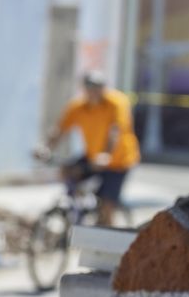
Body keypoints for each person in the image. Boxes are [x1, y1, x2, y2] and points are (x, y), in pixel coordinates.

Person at [44, 71, 141, 226]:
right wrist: (46, 148)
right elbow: (59, 129)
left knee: (107, 205)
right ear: (84, 88)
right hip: (93, 157)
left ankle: (107, 238)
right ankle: (77, 209)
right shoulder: (78, 106)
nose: (94, 91)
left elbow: (115, 131)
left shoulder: (116, 102)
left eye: (98, 87)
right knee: (68, 171)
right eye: (90, 87)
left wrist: (106, 154)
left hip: (118, 161)